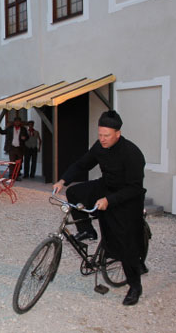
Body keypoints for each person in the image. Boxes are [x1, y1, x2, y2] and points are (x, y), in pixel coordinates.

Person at [53, 110, 146, 306]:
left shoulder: (132, 154)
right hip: (106, 186)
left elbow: (135, 188)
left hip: (127, 197)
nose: (102, 139)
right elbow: (82, 164)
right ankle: (88, 231)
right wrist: (63, 180)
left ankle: (135, 286)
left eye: (106, 136)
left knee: (125, 243)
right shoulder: (100, 146)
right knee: (74, 194)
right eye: (100, 135)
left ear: (117, 134)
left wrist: (109, 201)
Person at [0, 116, 28, 180]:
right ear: (14, 122)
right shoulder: (10, 128)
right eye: (16, 121)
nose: (17, 122)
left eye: (18, 121)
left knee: (19, 163)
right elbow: (2, 132)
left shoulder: (23, 129)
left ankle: (17, 176)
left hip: (20, 148)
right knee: (12, 163)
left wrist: (25, 138)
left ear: (20, 122)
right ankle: (11, 175)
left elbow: (27, 137)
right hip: (12, 148)